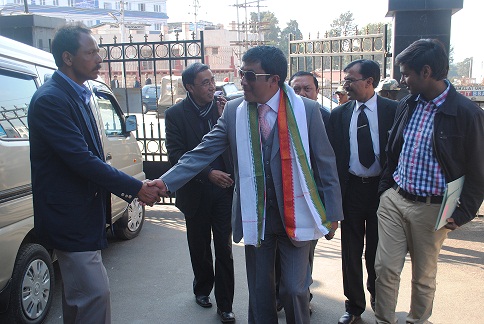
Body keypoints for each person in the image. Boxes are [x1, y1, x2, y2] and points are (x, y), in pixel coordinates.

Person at [150, 46, 343, 324]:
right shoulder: (234, 111)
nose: (242, 80)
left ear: (274, 80)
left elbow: (326, 163)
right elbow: (202, 152)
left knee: (294, 289)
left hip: (298, 213)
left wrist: (333, 214)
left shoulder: (308, 111)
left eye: (249, 75)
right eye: (241, 73)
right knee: (260, 293)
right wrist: (165, 182)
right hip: (257, 217)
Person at [28, 23, 160, 324]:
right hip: (69, 219)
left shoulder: (80, 92)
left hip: (83, 216)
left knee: (80, 300)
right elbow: (82, 160)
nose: (99, 59)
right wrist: (137, 188)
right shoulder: (52, 99)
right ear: (68, 58)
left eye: (98, 51)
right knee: (94, 296)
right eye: (90, 53)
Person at [375, 39, 484, 324]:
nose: (401, 80)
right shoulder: (408, 104)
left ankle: (417, 320)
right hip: (395, 201)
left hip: (433, 210)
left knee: (423, 276)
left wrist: (463, 213)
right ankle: (383, 320)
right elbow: (393, 150)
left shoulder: (467, 114)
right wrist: (386, 190)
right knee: (385, 268)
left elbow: (478, 170)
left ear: (426, 72)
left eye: (406, 73)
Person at [164, 62, 235, 323]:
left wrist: (224, 115)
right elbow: (176, 155)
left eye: (212, 80)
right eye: (204, 83)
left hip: (224, 190)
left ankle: (226, 304)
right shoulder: (175, 115)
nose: (211, 86)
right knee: (199, 246)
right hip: (195, 191)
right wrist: (208, 173)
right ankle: (203, 289)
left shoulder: (225, 109)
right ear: (189, 87)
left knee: (224, 248)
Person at [327, 59, 397, 324]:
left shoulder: (394, 110)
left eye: (350, 80)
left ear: (369, 82)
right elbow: (331, 159)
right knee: (351, 251)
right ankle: (354, 307)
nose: (345, 85)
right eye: (345, 80)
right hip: (352, 190)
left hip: (383, 191)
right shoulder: (340, 114)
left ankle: (379, 300)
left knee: (379, 252)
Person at [271, 70, 330, 313]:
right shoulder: (276, 116)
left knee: (304, 253)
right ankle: (278, 295)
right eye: (297, 89)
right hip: (280, 198)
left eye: (308, 89)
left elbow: (329, 164)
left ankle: (302, 295)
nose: (302, 94)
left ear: (317, 92)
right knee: (275, 254)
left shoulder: (325, 117)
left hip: (311, 201)